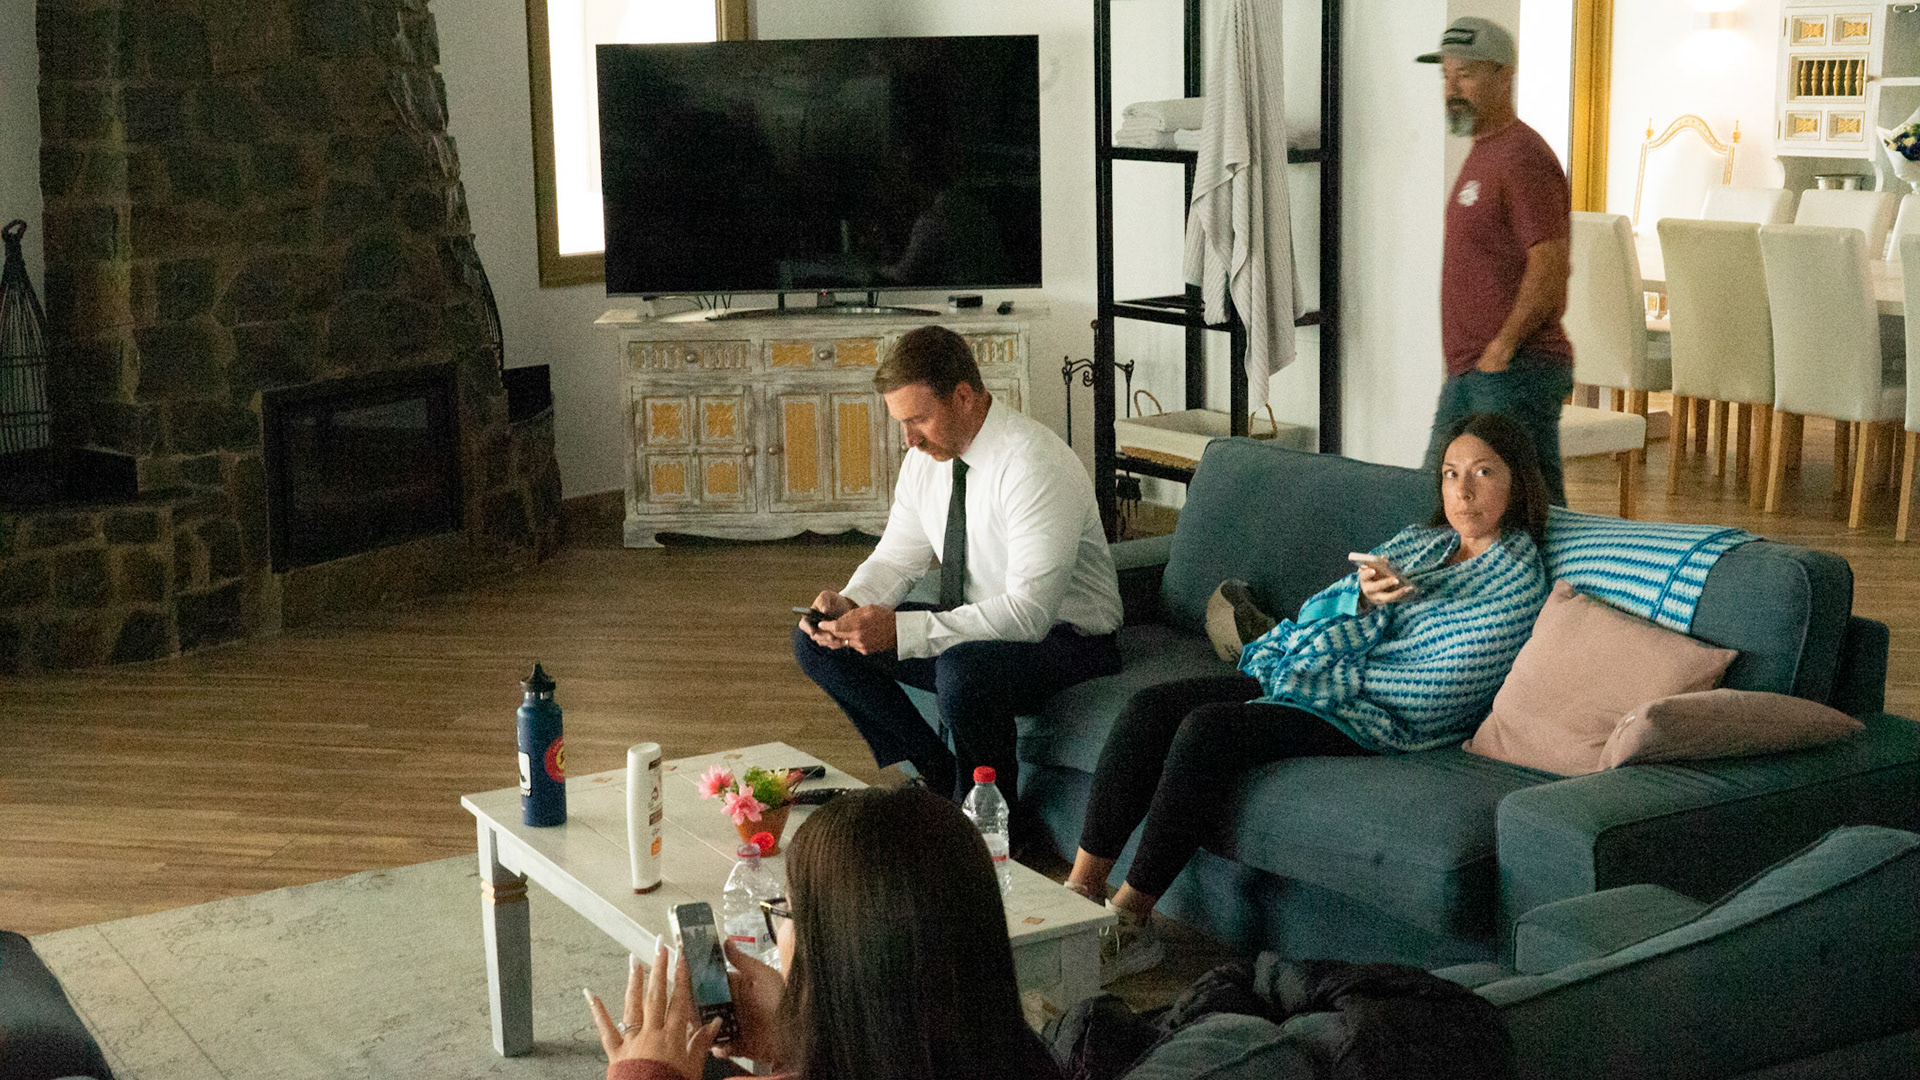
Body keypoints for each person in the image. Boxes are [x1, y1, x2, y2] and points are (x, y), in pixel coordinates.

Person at [1063, 413, 1553, 982]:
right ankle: (1078, 895)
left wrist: (1367, 632)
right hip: (1310, 674)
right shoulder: (1421, 542)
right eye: (1450, 473)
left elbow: (1447, 679)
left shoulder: (1517, 580)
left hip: (1368, 712)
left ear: (1518, 481)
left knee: (1207, 732)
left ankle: (1130, 922)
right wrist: (1361, 602)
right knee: (1150, 708)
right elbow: (1319, 608)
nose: (1462, 491)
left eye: (1483, 473)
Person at [791, 325, 1123, 849]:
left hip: (1070, 642)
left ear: (965, 397)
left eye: (918, 419)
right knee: (817, 642)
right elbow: (896, 559)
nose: (909, 439)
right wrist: (849, 604)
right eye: (902, 423)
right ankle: (940, 777)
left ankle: (998, 829)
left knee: (964, 668)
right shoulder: (926, 462)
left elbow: (1028, 615)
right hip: (975, 627)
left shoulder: (1034, 464)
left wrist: (903, 631)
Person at [586, 786, 1061, 1080]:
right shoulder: (1028, 1060)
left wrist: (642, 1073)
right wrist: (802, 1041)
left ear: (842, 953)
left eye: (787, 910)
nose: (781, 929)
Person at [1417, 17, 1577, 506]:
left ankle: (1566, 567)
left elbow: (1550, 263)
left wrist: (1503, 346)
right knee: (1438, 503)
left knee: (1532, 511)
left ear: (1503, 75)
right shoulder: (1485, 153)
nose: (1451, 89)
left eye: (1465, 74)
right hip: (1474, 371)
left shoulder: (1523, 156)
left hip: (1514, 370)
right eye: (1446, 76)